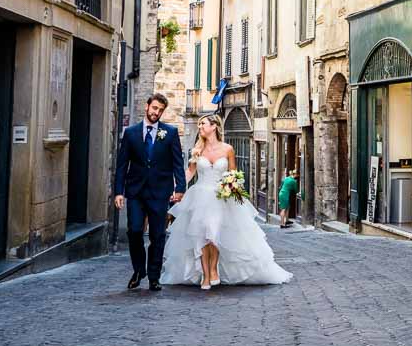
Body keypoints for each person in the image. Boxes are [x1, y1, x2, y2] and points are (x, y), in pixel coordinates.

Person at [161, 114, 293, 289]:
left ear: (214, 126)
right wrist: (176, 188)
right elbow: (190, 172)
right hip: (200, 196)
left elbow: (233, 173)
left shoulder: (227, 149)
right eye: (199, 124)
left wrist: (232, 186)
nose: (200, 127)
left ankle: (214, 268)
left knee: (213, 235)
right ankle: (206, 276)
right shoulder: (197, 149)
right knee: (201, 235)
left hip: (220, 198)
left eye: (203, 124)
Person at [114, 93, 187, 291]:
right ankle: (139, 270)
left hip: (160, 192)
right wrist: (118, 192)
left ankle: (154, 276)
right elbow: (122, 165)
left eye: (160, 110)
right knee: (135, 230)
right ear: (147, 107)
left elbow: (177, 163)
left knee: (158, 234)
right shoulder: (131, 133)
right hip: (136, 191)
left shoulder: (170, 133)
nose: (157, 113)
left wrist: (180, 188)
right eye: (154, 108)